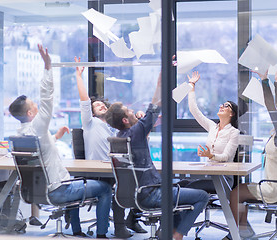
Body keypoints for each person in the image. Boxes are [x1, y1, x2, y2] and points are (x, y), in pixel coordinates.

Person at [8, 45, 112, 239]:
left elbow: (40, 151)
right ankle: (102, 235)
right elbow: (47, 98)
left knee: (71, 181)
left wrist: (55, 137)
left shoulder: (21, 134)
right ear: (30, 113)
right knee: (105, 189)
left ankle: (77, 232)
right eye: (34, 106)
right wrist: (48, 67)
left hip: (40, 192)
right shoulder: (37, 127)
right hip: (58, 190)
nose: (38, 106)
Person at [105, 72, 209, 240]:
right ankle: (178, 234)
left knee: (176, 187)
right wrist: (160, 83)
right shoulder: (136, 132)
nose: (132, 110)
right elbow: (155, 107)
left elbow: (150, 116)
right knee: (202, 196)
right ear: (125, 120)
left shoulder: (121, 137)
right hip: (151, 194)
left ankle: (167, 232)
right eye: (129, 111)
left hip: (134, 195)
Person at [74, 57, 146, 238]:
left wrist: (137, 117)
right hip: (98, 170)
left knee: (142, 181)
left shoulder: (115, 128)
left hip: (115, 168)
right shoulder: (90, 123)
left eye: (101, 104)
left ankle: (133, 219)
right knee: (119, 187)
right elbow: (84, 100)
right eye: (95, 106)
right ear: (91, 112)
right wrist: (78, 76)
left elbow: (138, 135)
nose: (99, 105)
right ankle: (120, 227)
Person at [229, 66, 277, 238]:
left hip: (276, 188)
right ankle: (243, 229)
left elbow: (272, 107)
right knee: (241, 191)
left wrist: (264, 81)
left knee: (235, 193)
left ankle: (235, 233)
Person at [179, 71, 240, 192]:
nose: (221, 107)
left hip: (223, 179)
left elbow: (226, 157)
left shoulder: (234, 132)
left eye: (226, 106)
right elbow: (194, 110)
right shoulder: (213, 127)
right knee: (181, 184)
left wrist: (210, 155)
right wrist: (192, 85)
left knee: (187, 188)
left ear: (232, 113)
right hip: (209, 174)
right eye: (221, 105)